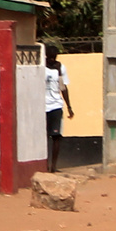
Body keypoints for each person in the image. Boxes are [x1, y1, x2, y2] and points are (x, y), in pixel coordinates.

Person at [44, 44, 74, 172]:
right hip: (43, 106)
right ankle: (43, 164)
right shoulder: (41, 68)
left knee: (56, 137)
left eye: (54, 57)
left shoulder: (60, 68)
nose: (52, 60)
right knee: (44, 137)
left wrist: (69, 106)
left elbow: (63, 87)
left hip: (56, 105)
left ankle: (53, 167)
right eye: (50, 57)